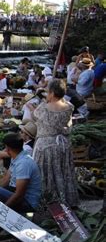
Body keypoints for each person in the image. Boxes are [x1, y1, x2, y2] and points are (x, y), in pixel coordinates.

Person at [33, 79, 79, 208]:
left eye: (48, 91)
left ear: (52, 93)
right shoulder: (69, 107)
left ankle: (46, 201)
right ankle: (65, 200)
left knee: (44, 174)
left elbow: (35, 114)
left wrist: (44, 99)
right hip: (63, 145)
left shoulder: (43, 108)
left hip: (45, 146)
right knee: (62, 172)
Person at [0, 133, 41, 212]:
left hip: (27, 202)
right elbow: (6, 179)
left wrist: (4, 210)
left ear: (7, 148)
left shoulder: (24, 164)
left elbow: (19, 194)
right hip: (14, 192)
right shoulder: (16, 156)